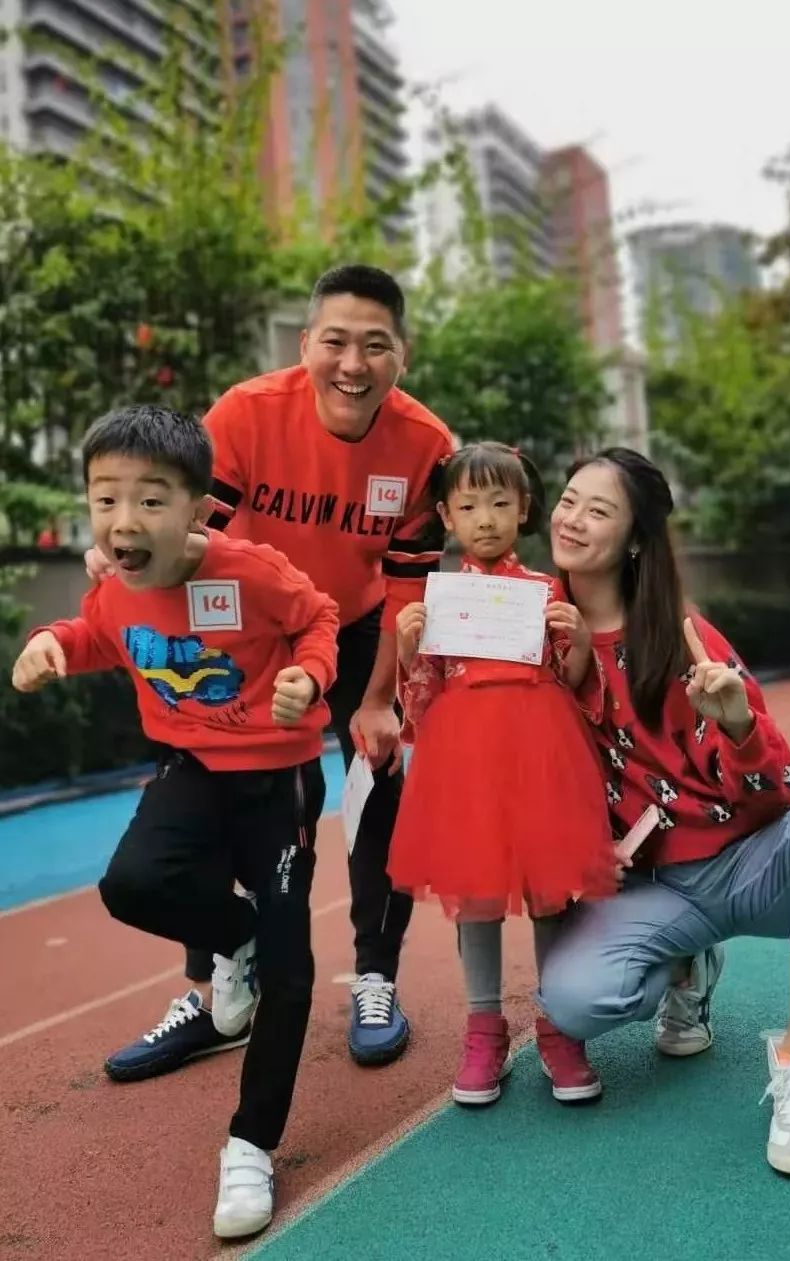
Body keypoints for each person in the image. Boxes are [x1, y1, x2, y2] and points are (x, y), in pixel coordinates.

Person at [87, 265, 455, 1080]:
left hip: (355, 623)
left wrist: (379, 699)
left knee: (380, 782)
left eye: (375, 346)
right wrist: (123, 555)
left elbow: (409, 584)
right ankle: (219, 986)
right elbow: (186, 535)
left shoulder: (426, 443)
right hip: (245, 622)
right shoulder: (246, 414)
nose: (352, 364)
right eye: (335, 342)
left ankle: (375, 978)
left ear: (404, 355)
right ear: (306, 343)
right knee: (212, 780)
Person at [11, 405, 340, 1238]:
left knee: (292, 970)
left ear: (199, 509)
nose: (125, 520)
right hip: (191, 766)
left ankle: (251, 1143)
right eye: (106, 499)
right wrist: (54, 643)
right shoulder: (117, 586)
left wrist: (308, 675)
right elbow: (100, 633)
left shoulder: (251, 572)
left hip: (277, 777)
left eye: (151, 500)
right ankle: (239, 939)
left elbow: (318, 617)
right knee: (132, 883)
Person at [536, 447, 790, 1176]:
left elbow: (779, 792)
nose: (572, 519)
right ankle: (687, 965)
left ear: (635, 540)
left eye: (599, 510)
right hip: (651, 890)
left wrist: (736, 723)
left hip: (748, 865)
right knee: (573, 1001)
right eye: (569, 500)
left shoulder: (685, 641)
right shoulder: (534, 632)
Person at [390, 442, 619, 1107]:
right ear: (446, 516)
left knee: (550, 891)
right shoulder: (438, 598)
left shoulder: (547, 590)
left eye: (499, 503)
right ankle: (483, 1030)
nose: (485, 518)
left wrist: (578, 644)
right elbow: (423, 696)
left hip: (542, 752)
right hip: (466, 761)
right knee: (477, 893)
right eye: (468, 506)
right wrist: (408, 648)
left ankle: (559, 1023)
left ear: (523, 508)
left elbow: (576, 682)